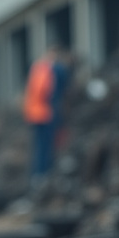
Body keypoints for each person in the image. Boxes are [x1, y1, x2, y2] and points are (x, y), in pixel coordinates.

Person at [22, 44, 72, 180]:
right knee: (46, 146)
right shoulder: (53, 69)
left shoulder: (37, 67)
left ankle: (36, 175)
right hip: (45, 113)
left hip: (33, 113)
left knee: (38, 146)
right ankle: (43, 175)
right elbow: (52, 92)